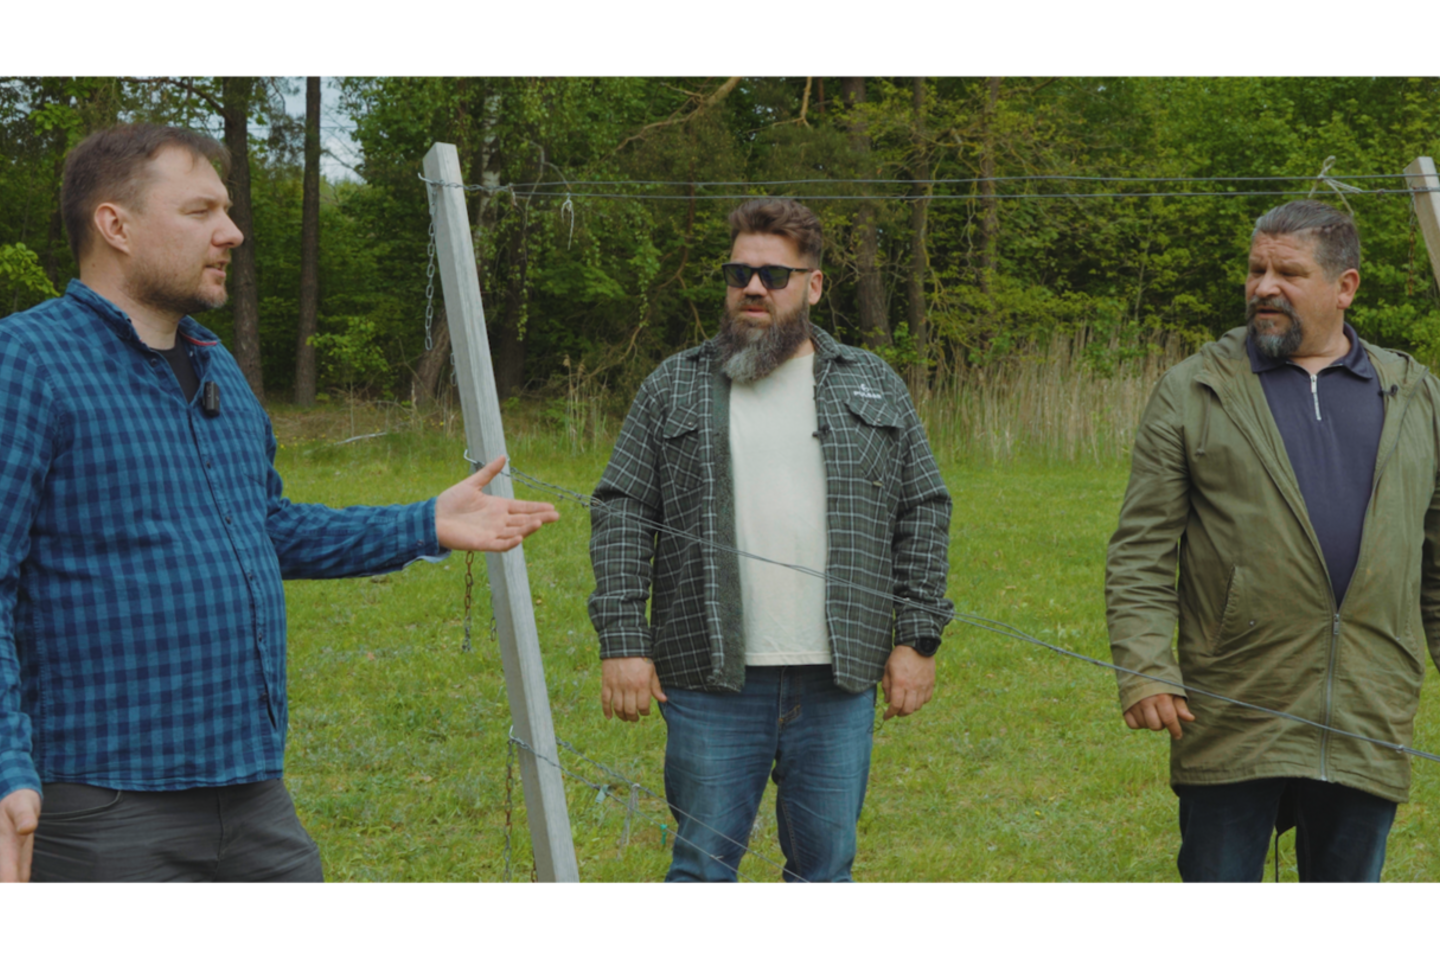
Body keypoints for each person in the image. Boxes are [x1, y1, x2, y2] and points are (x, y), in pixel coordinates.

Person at [0, 123, 560, 886]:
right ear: (115, 225)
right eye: (201, 211)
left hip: (250, 795)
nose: (231, 232)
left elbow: (265, 525)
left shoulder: (214, 366)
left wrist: (423, 523)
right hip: (101, 804)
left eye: (227, 211)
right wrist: (7, 767)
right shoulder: (27, 362)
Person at [588, 198, 953, 885]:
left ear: (813, 286)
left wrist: (918, 638)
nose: (753, 288)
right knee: (701, 871)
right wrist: (623, 642)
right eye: (739, 273)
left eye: (774, 276)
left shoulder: (872, 384)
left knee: (825, 873)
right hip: (708, 677)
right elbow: (622, 511)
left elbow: (923, 508)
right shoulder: (673, 385)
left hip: (838, 680)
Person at [1106, 199, 1440, 885]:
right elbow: (1142, 548)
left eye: (1288, 273)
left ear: (1345, 287)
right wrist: (1145, 666)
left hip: (1368, 705)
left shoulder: (1416, 396)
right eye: (1256, 270)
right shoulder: (1196, 389)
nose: (1264, 287)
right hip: (1234, 699)